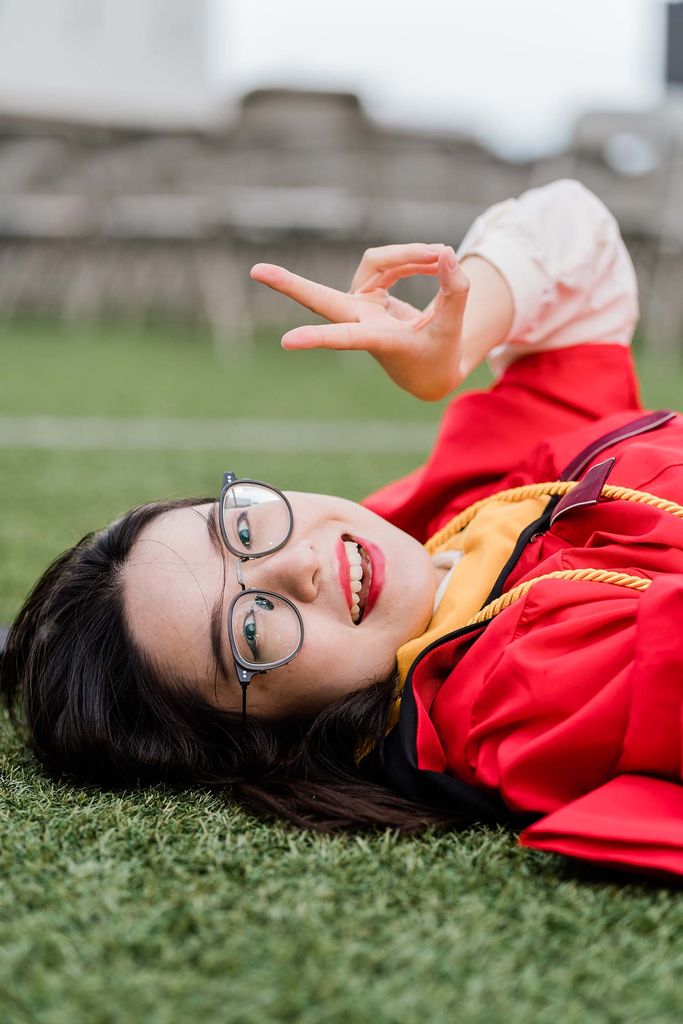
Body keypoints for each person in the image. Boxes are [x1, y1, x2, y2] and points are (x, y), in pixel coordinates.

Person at [3, 179, 683, 879]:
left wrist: (450, 342)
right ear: (274, 739)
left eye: (243, 527)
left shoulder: (448, 522)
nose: (293, 567)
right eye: (249, 631)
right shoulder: (521, 697)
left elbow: (574, 232)